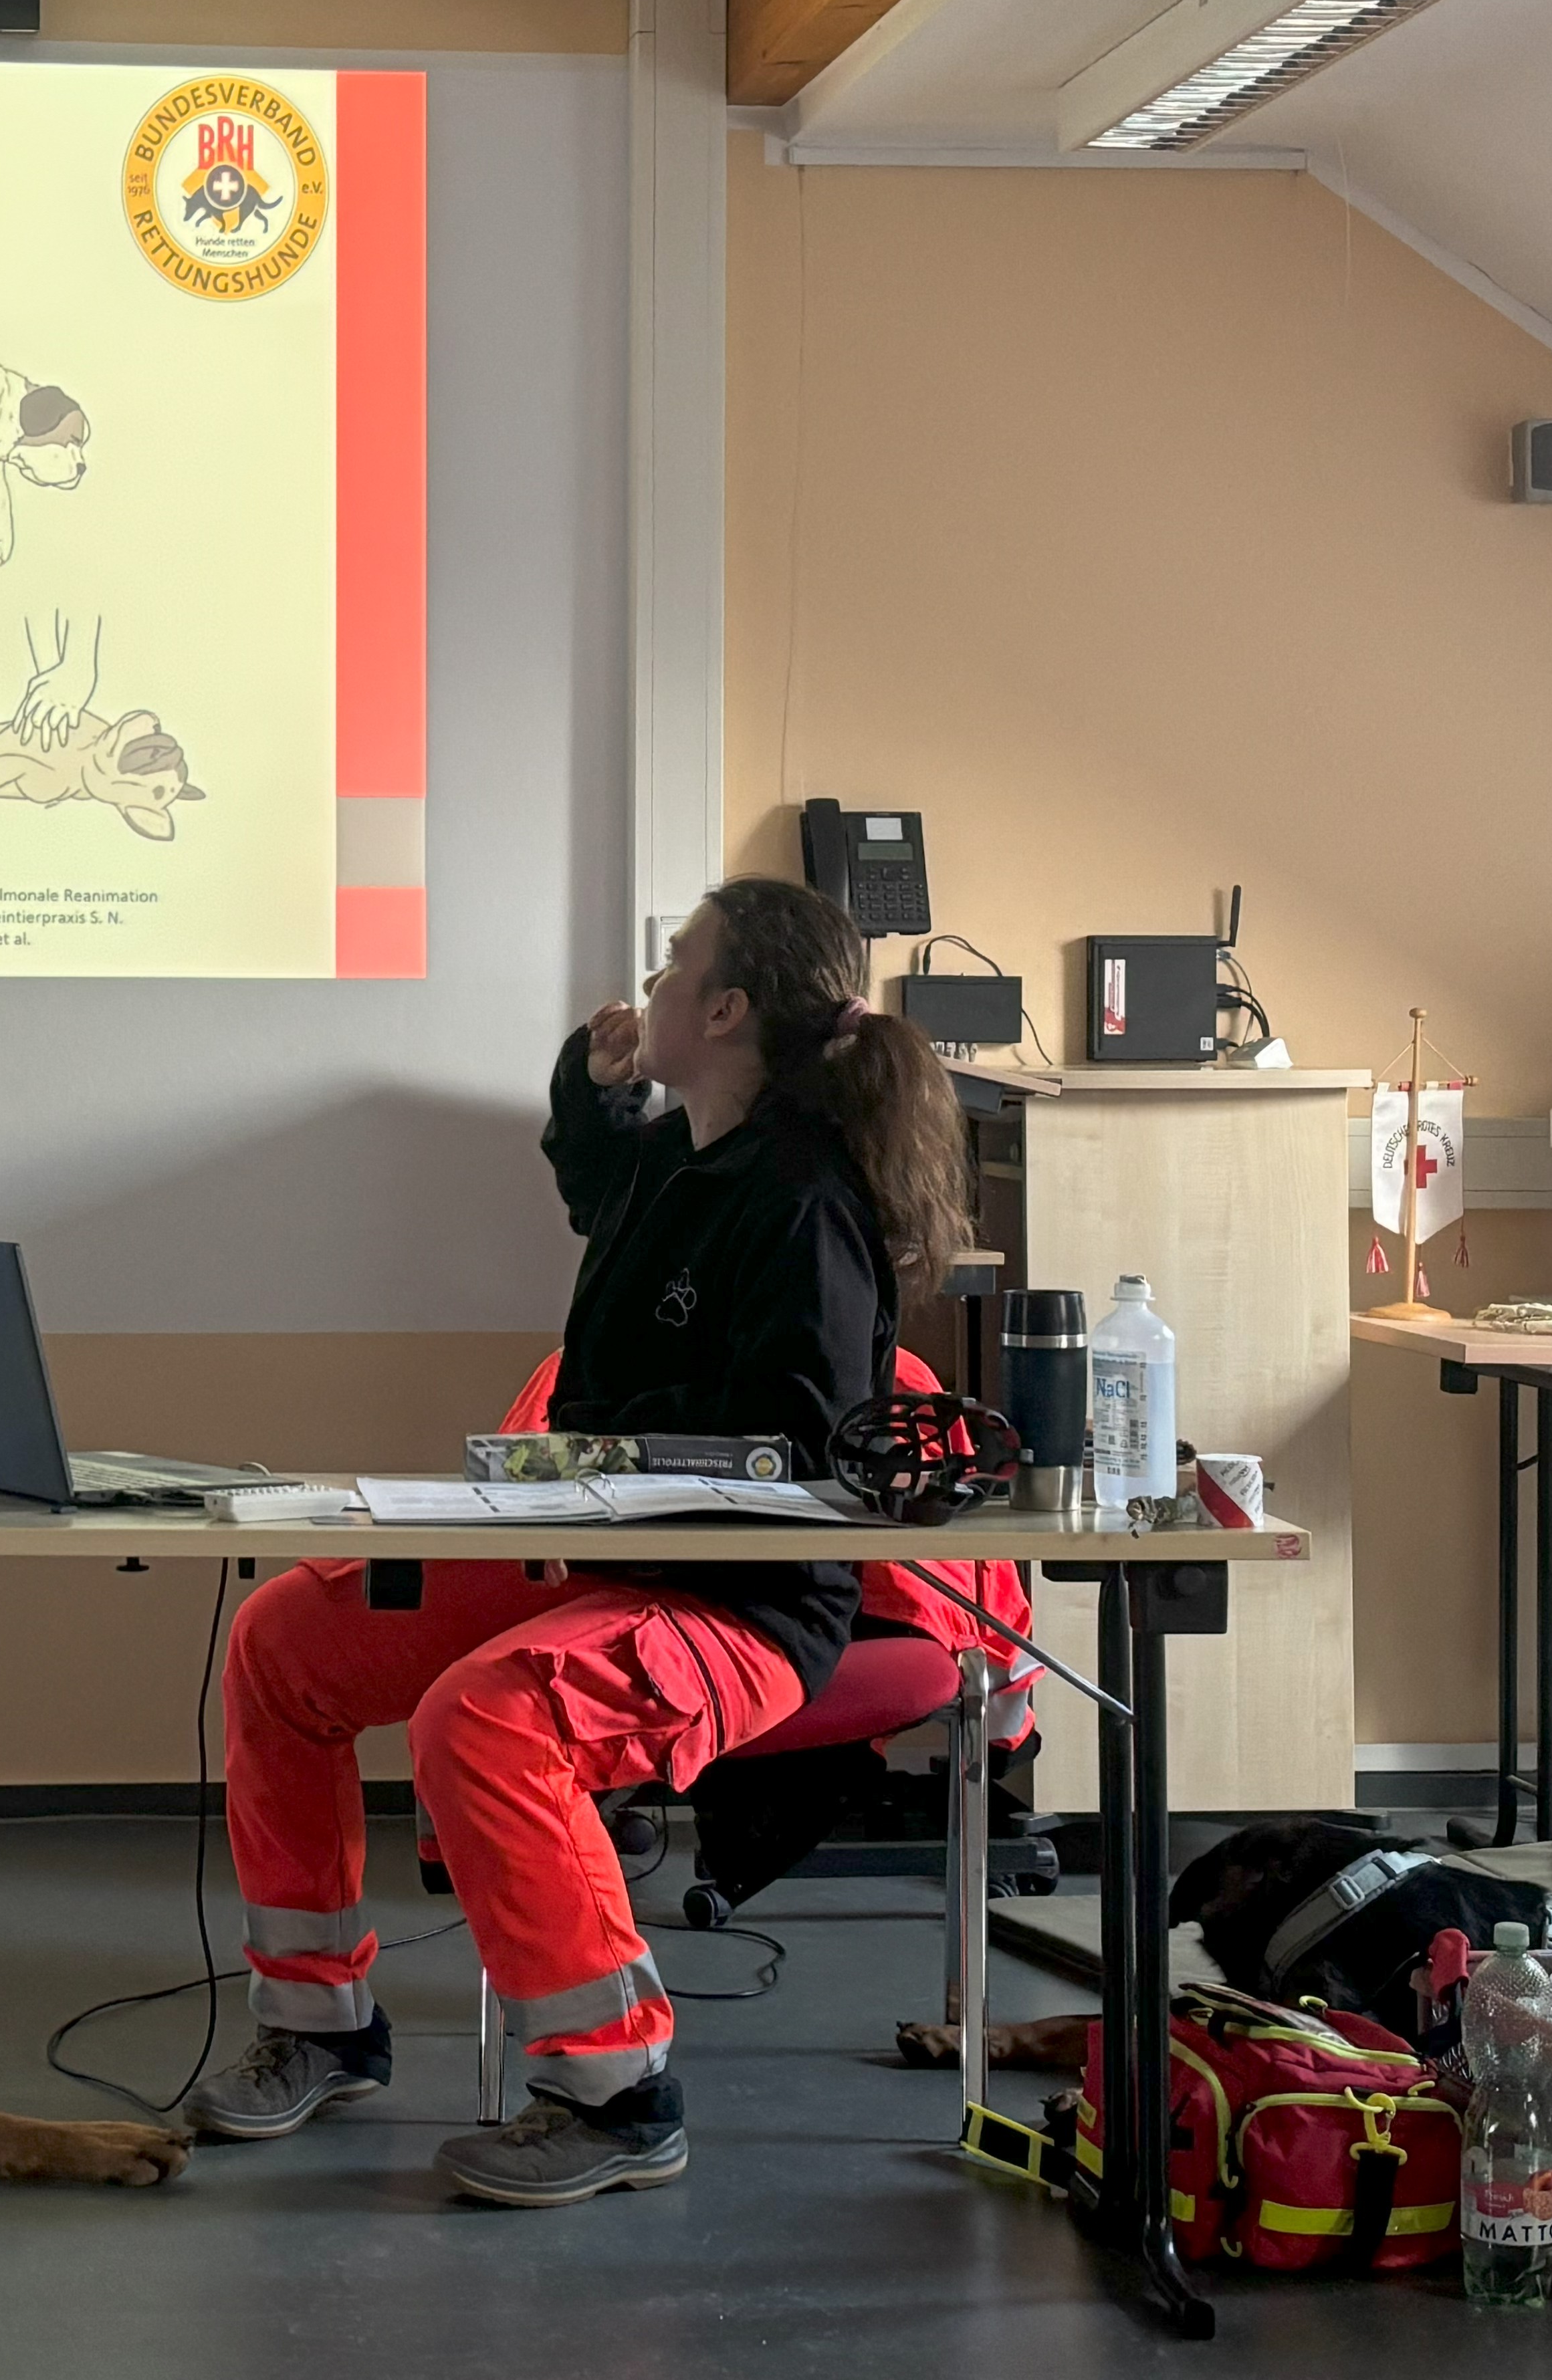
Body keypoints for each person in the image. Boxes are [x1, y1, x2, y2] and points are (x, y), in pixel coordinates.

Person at [185, 876, 974, 2205]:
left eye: (676, 966)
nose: (650, 983)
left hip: (744, 1604)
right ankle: (319, 2021)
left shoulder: (804, 1200)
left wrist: (595, 1456)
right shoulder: (676, 1153)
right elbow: (594, 1182)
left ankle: (618, 2092)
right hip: (599, 1550)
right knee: (287, 1642)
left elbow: (793, 1445)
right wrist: (589, 1088)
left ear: (724, 1011)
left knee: (487, 1718)